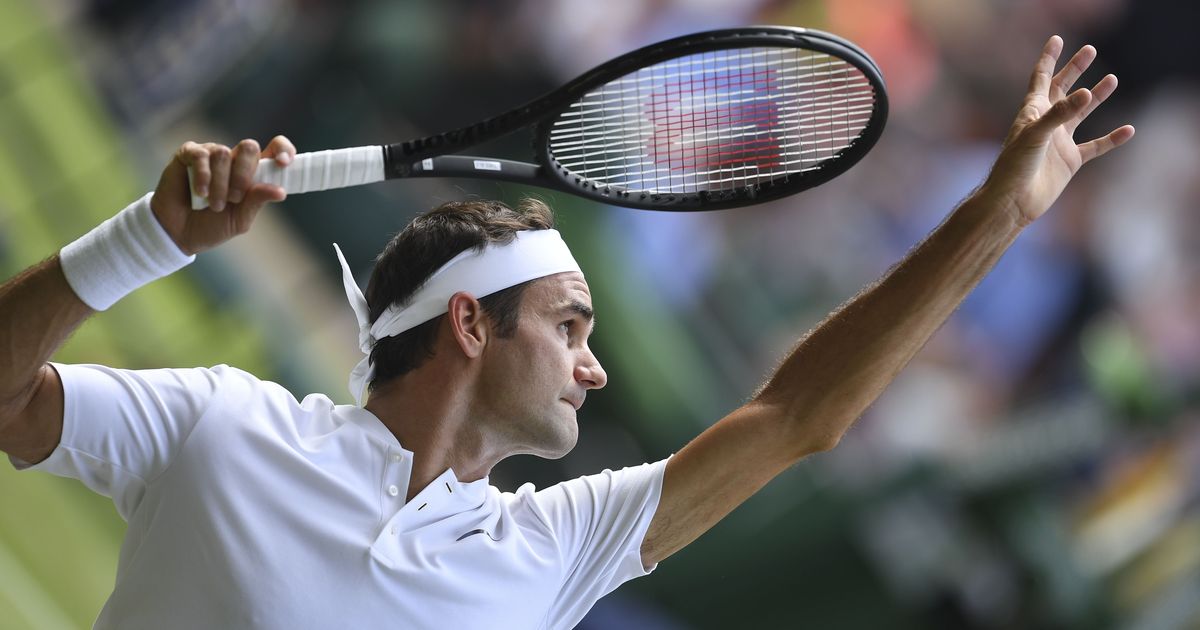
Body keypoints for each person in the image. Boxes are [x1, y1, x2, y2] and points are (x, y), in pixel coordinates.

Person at [0, 37, 1132, 629]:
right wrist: (144, 239)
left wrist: (998, 219)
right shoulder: (221, 423)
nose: (596, 364)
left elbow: (796, 417)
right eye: (571, 325)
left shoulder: (554, 550)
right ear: (468, 326)